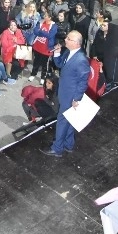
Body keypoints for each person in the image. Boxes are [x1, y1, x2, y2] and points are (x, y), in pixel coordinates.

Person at [41, 30, 91, 158]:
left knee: (62, 121)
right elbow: (59, 65)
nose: (65, 40)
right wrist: (57, 53)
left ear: (76, 43)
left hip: (70, 96)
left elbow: (83, 81)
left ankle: (57, 149)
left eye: (69, 39)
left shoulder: (81, 60)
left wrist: (77, 98)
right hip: (64, 92)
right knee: (68, 119)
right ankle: (68, 144)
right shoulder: (69, 52)